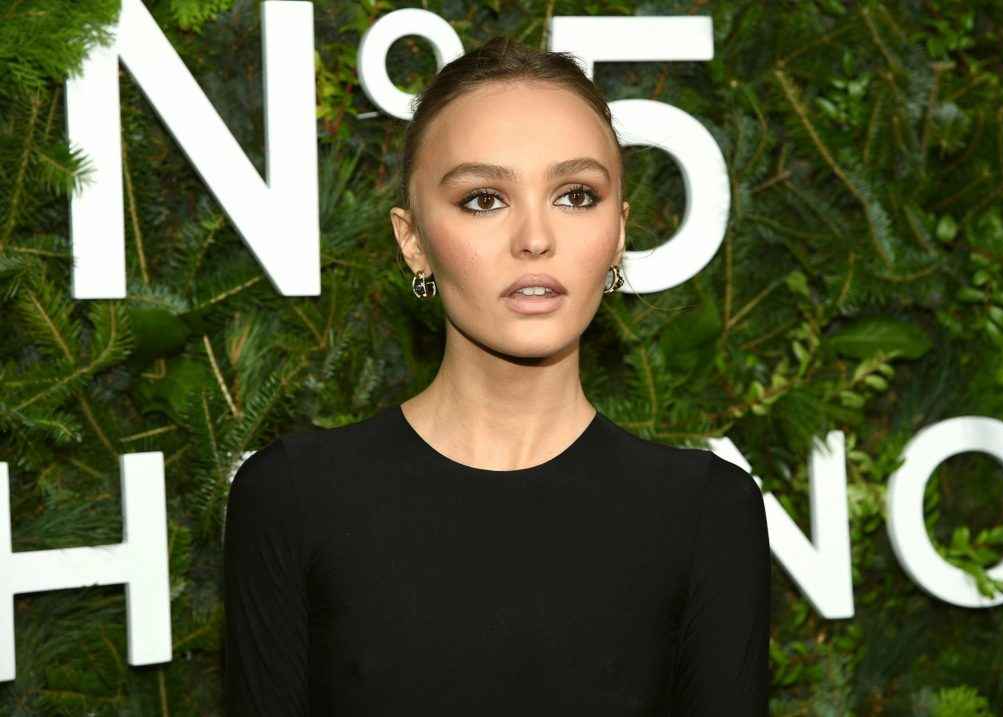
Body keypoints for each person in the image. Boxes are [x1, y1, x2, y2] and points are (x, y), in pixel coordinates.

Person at [223, 35, 770, 716]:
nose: (535, 239)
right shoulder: (292, 499)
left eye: (576, 195)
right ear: (413, 240)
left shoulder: (708, 513)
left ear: (618, 233)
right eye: (484, 199)